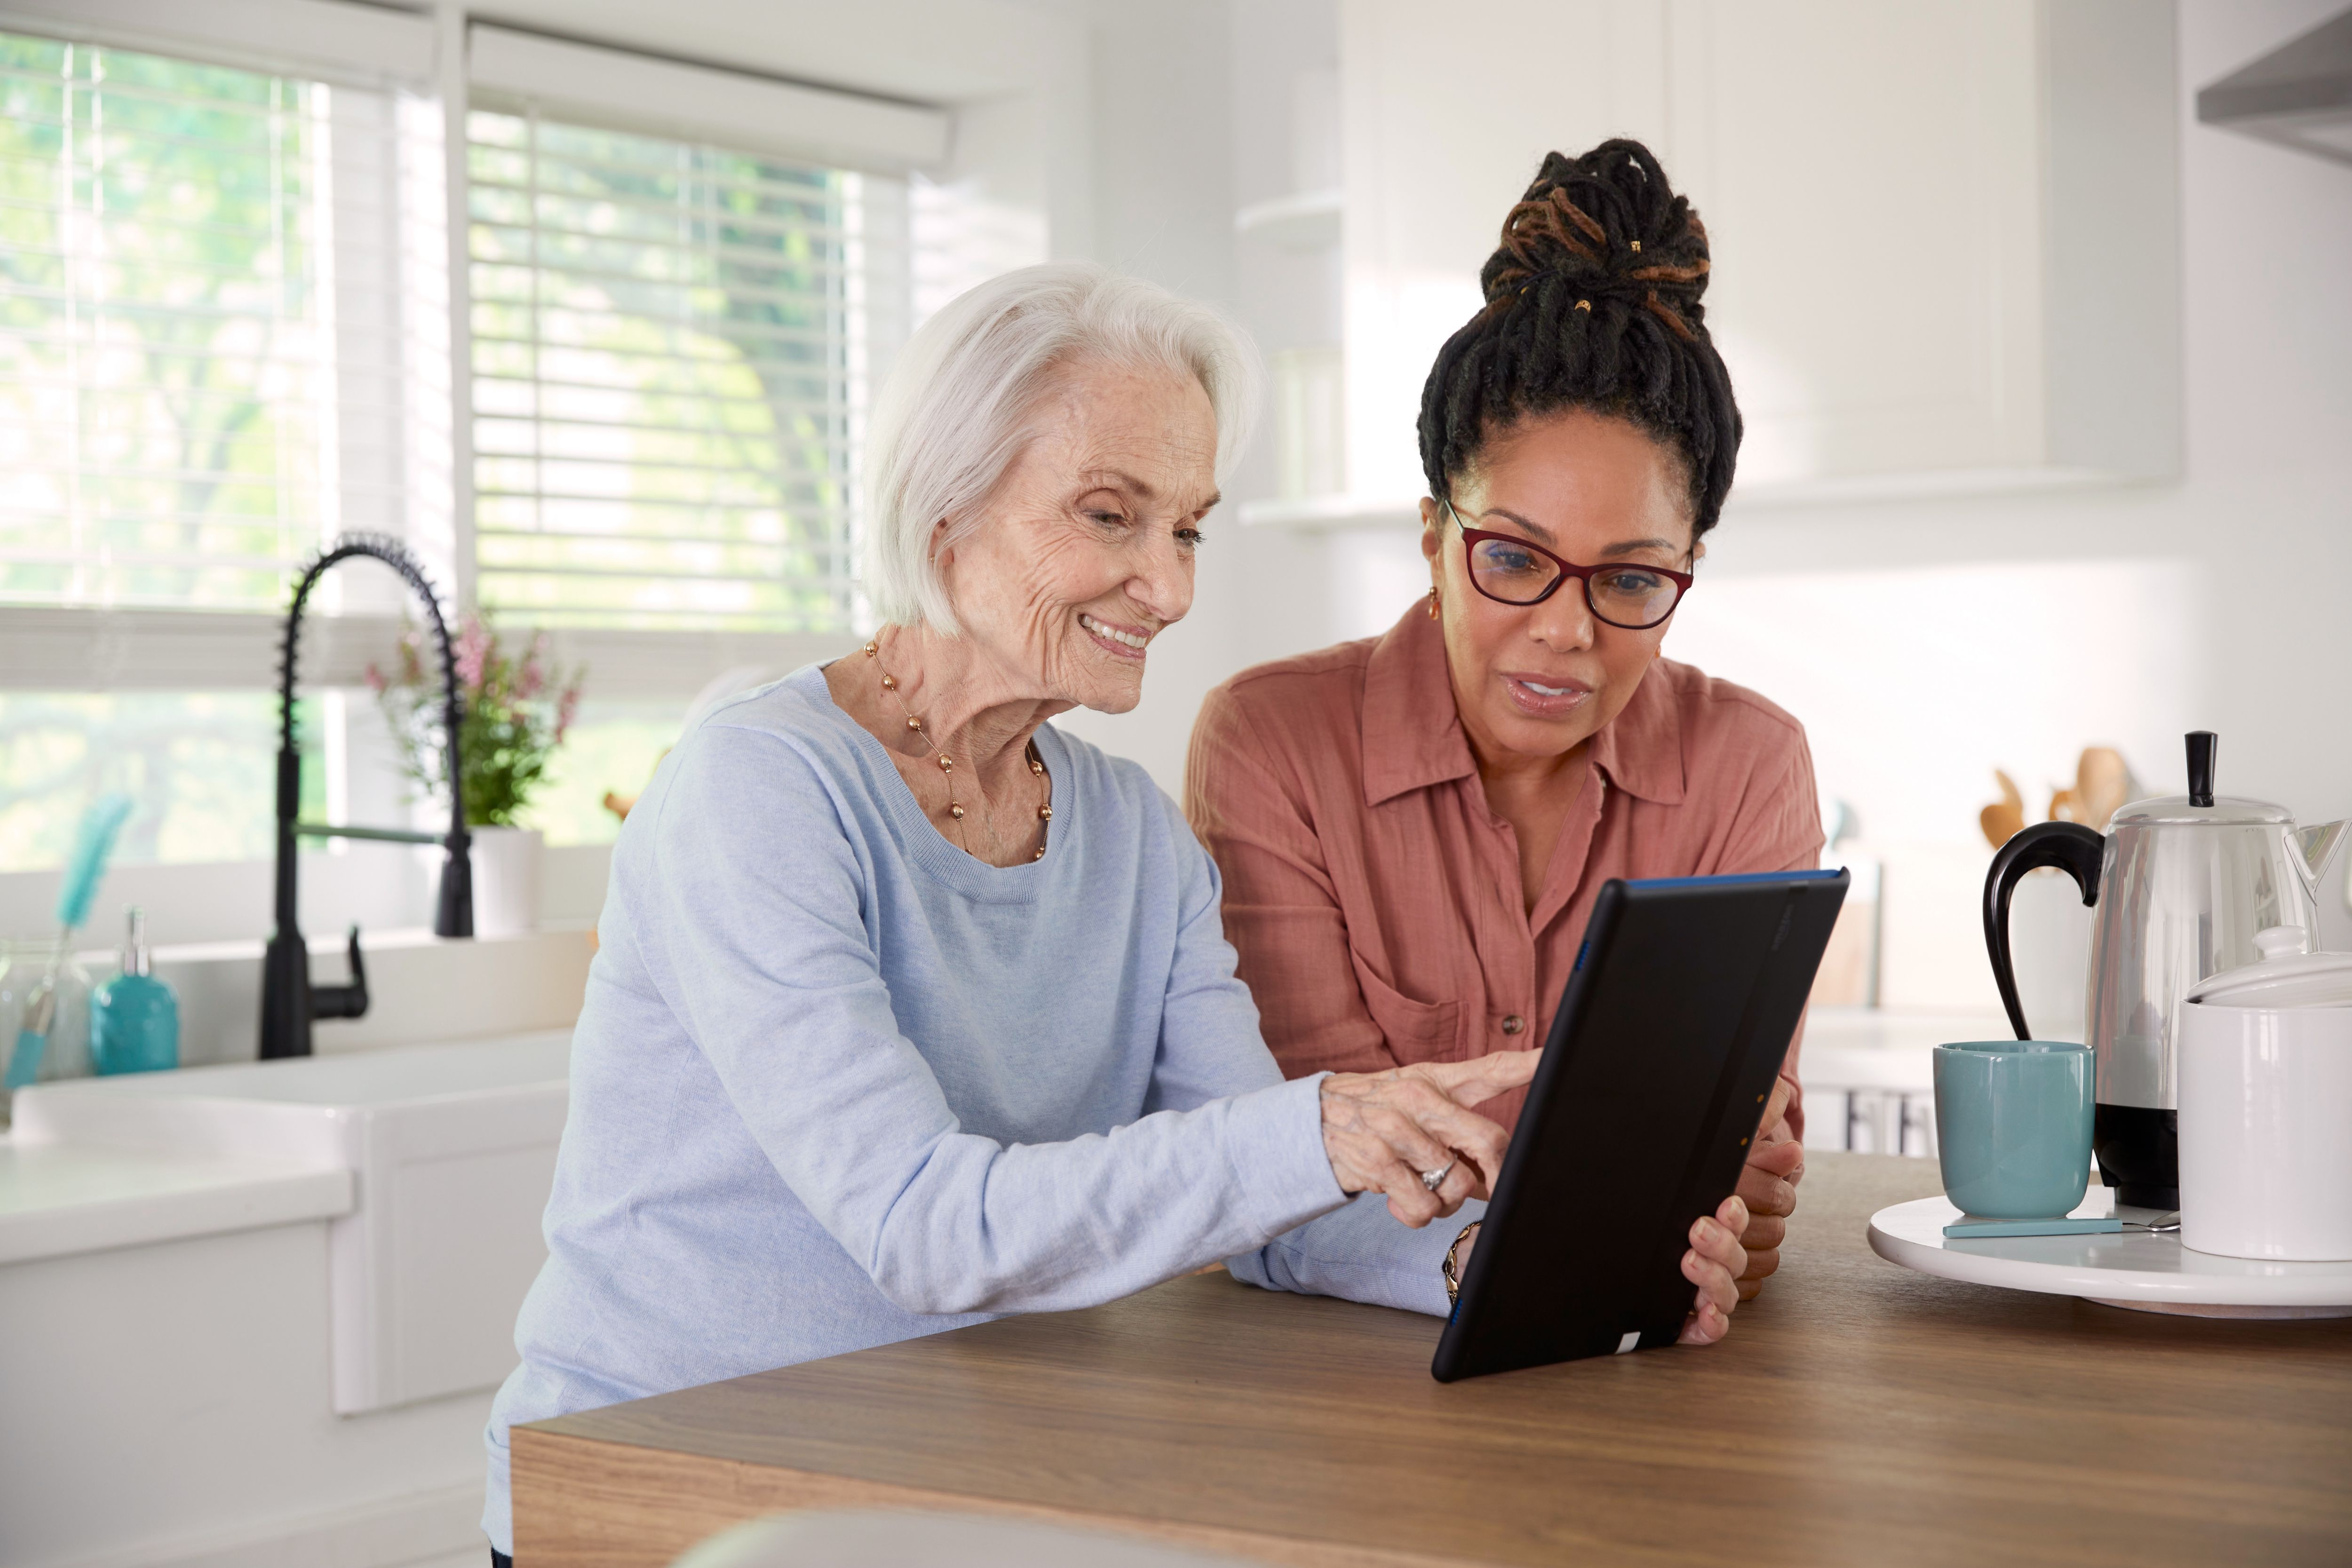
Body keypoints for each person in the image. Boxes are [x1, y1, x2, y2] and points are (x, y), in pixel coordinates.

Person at [479, 263, 1755, 1564]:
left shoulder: (1134, 834)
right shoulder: (758, 790)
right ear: (947, 507)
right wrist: (1316, 1123)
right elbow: (924, 1227)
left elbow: (1271, 1208)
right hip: (663, 1490)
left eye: (1189, 529)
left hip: (955, 1487)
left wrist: (1505, 1264)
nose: (1170, 586)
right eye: (1111, 515)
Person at [1186, 141, 1819, 1305]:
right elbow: (1294, 1157)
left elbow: (1750, 1167)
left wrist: (1708, 1194)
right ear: (1434, 536)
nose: (1566, 630)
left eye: (1629, 579)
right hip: (1330, 1386)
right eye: (1514, 558)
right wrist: (1620, 1190)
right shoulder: (1273, 742)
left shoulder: (1749, 764)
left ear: (1686, 569)